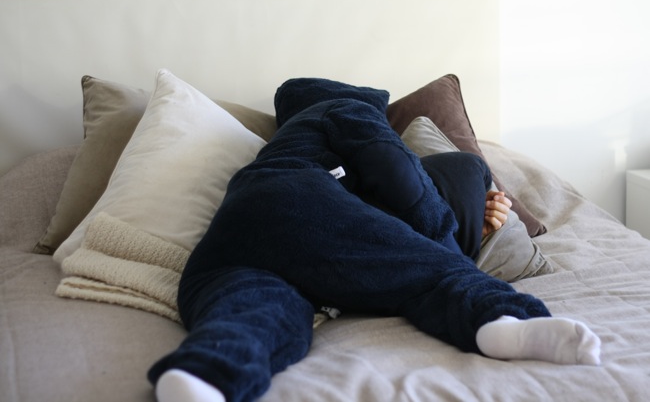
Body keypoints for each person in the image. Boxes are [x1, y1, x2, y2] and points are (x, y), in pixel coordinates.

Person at [148, 78, 601, 402]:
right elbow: (394, 168)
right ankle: (500, 319)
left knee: (258, 306)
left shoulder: (283, 144)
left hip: (233, 235)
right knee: (430, 274)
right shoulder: (345, 110)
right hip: (297, 197)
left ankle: (207, 373)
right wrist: (444, 247)